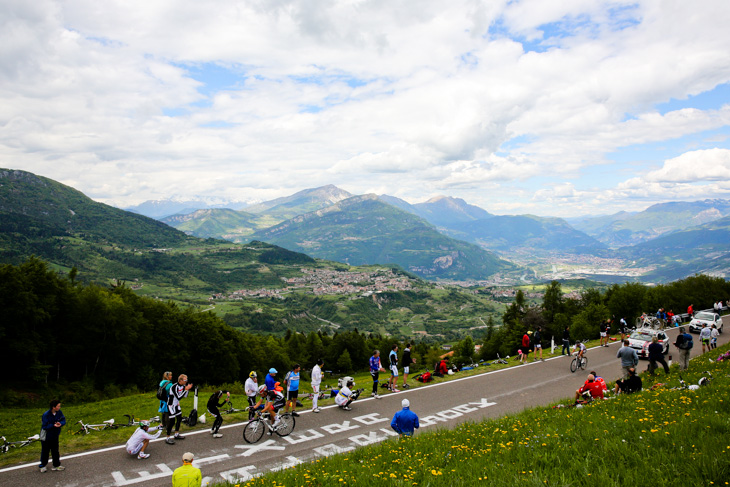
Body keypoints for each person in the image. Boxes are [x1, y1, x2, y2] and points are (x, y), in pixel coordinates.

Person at [38, 399, 66, 472]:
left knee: (55, 451)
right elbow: (44, 426)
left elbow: (63, 419)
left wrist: (61, 423)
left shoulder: (59, 412)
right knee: (45, 451)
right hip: (47, 436)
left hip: (55, 435)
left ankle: (56, 465)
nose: (59, 407)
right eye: (58, 406)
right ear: (53, 407)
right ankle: (42, 465)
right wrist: (53, 425)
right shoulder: (46, 415)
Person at [165, 374, 193, 445]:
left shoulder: (183, 386)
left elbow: (185, 396)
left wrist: (187, 390)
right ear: (180, 380)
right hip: (171, 405)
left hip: (177, 405)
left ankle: (176, 434)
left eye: (187, 380)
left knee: (179, 418)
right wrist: (185, 390)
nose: (186, 381)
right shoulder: (174, 386)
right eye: (185, 380)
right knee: (172, 421)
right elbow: (178, 397)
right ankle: (167, 437)